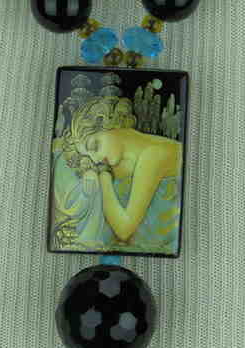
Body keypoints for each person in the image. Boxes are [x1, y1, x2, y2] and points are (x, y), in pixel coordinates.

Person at [52, 95, 181, 255]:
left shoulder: (154, 156)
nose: (96, 159)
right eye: (89, 157)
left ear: (111, 123)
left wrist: (104, 177)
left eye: (95, 146)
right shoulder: (119, 159)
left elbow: (123, 230)